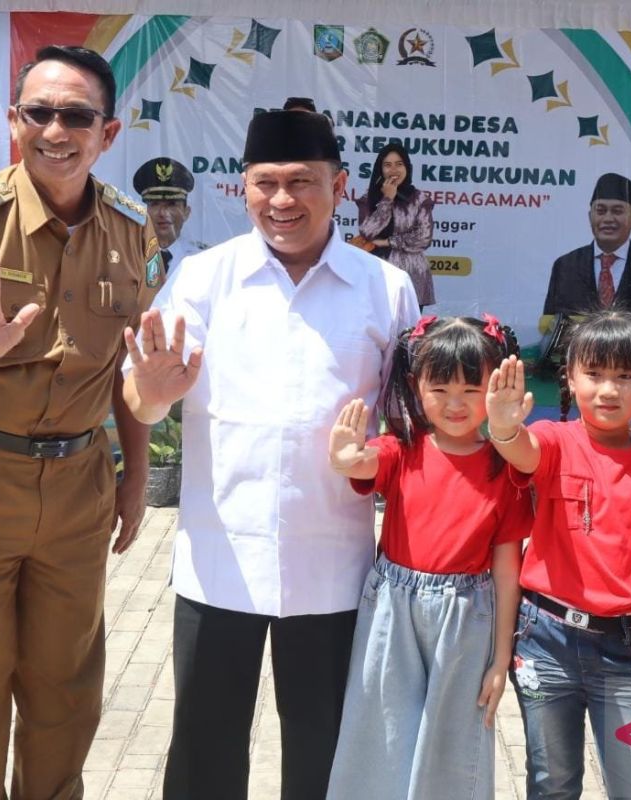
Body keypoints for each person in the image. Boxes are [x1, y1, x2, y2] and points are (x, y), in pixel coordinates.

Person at [120, 108, 418, 799]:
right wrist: (148, 391)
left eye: (302, 182)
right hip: (218, 561)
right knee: (203, 745)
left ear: (341, 186)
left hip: (333, 569)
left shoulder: (385, 289)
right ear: (242, 189)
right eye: (266, 183)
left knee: (324, 747)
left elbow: (410, 425)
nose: (282, 201)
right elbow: (142, 400)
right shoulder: (203, 279)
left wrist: (371, 457)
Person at [0, 45, 160, 798]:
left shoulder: (130, 229)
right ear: (14, 122)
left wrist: (135, 474)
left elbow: (132, 370)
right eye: (38, 112)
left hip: (80, 486)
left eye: (75, 115)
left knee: (66, 694)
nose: (56, 129)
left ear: (106, 133)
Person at [484, 311, 631, 799]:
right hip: (545, 644)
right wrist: (501, 425)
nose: (608, 390)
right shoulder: (556, 442)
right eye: (595, 374)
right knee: (553, 783)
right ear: (571, 377)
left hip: (626, 652)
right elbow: (521, 450)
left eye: (625, 376)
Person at [325, 314, 532, 800]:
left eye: (470, 388)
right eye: (440, 388)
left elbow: (507, 570)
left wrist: (501, 659)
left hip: (467, 616)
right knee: (379, 725)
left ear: (496, 385)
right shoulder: (403, 450)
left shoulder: (505, 469)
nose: (455, 404)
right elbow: (362, 461)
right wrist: (342, 458)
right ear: (415, 385)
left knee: (454, 738)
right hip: (392, 611)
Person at [540, 173, 631, 333]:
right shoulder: (565, 266)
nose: (608, 218)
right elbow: (550, 327)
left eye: (617, 211)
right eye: (601, 211)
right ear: (590, 216)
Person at [357, 142, 436, 308]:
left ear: (407, 168)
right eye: (387, 165)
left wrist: (388, 242)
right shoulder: (369, 198)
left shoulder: (420, 199)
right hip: (377, 275)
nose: (394, 170)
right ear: (380, 170)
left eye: (399, 164)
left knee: (408, 332)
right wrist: (387, 199)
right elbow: (368, 232)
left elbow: (423, 237)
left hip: (411, 276)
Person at [133, 156, 207, 276]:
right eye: (155, 204)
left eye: (171, 204)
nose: (163, 213)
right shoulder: (129, 255)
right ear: (144, 211)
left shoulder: (203, 257)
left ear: (186, 212)